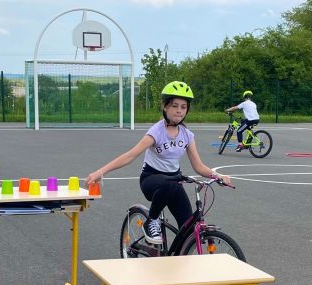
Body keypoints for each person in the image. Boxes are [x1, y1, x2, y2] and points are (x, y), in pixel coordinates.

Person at [85, 81, 231, 244]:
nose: (179, 110)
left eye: (183, 107)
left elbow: (198, 166)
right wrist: (100, 172)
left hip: (174, 183)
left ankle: (177, 260)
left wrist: (218, 176)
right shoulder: (157, 131)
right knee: (168, 183)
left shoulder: (187, 135)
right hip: (151, 180)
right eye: (174, 105)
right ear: (165, 107)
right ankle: (151, 221)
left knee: (189, 232)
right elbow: (131, 155)